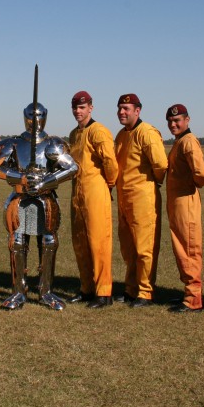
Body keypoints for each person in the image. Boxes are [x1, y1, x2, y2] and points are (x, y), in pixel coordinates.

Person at [0, 100, 77, 311]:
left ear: (45, 116)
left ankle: (46, 291)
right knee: (17, 243)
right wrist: (21, 177)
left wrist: (46, 181)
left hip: (45, 199)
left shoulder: (52, 143)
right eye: (31, 116)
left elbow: (72, 168)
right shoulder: (14, 143)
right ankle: (18, 290)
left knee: (48, 242)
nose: (35, 121)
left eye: (39, 116)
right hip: (19, 199)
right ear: (24, 116)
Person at [114, 94, 168, 308]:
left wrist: (149, 186)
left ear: (138, 110)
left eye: (126, 108)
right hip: (124, 198)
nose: (122, 112)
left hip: (143, 198)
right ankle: (130, 289)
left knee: (144, 247)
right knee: (128, 247)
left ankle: (145, 292)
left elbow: (161, 165)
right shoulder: (121, 135)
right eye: (119, 108)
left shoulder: (147, 133)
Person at [67, 91, 118, 308]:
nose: (78, 111)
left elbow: (110, 162)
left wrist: (108, 184)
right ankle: (86, 288)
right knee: (80, 243)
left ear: (91, 108)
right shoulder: (74, 134)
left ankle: (103, 292)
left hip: (96, 191)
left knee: (98, 242)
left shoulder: (98, 131)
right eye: (75, 108)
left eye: (82, 107)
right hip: (77, 192)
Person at [165, 104, 204, 313]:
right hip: (177, 203)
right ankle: (189, 293)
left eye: (177, 121)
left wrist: (188, 185)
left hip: (186, 202)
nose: (173, 124)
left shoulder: (189, 142)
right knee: (182, 249)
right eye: (171, 122)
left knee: (189, 249)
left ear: (187, 120)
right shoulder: (179, 142)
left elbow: (201, 175)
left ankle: (194, 299)